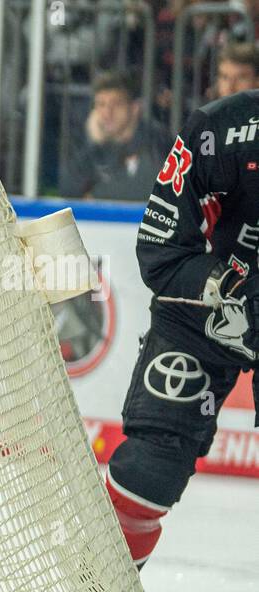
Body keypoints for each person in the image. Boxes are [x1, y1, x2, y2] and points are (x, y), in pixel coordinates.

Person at [108, 89, 259, 567]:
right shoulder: (219, 130)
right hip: (205, 312)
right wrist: (222, 290)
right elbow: (161, 248)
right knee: (146, 475)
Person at [60, 71, 174, 201]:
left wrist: (95, 195)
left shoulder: (156, 140)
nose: (107, 113)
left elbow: (146, 191)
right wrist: (94, 145)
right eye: (101, 105)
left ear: (135, 108)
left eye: (116, 104)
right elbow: (67, 189)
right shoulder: (94, 141)